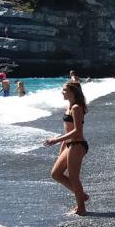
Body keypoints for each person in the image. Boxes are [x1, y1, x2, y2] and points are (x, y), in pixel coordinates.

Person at [44, 81, 90, 215]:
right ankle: (82, 195)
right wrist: (62, 146)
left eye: (64, 90)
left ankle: (81, 208)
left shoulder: (76, 107)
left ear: (73, 92)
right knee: (56, 174)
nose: (62, 92)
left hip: (78, 144)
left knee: (74, 177)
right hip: (69, 145)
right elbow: (68, 130)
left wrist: (56, 140)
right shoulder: (69, 106)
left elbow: (77, 131)